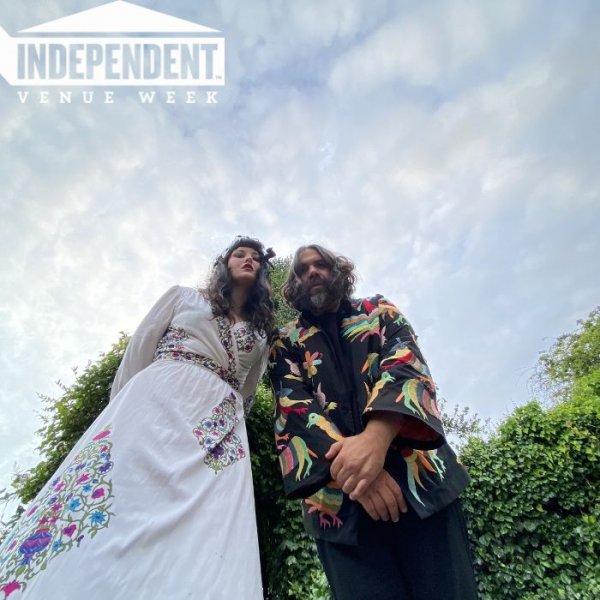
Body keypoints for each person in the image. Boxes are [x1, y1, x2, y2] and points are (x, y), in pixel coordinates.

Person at [0, 236, 275, 599]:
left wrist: (229, 423)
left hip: (220, 427)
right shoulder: (183, 297)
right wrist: (122, 410)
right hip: (158, 398)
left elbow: (248, 391)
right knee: (124, 490)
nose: (248, 260)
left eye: (255, 257)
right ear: (224, 264)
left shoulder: (260, 334)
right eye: (239, 254)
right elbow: (140, 348)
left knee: (212, 520)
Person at [269, 244, 478, 600]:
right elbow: (292, 406)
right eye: (302, 270)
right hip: (339, 509)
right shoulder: (285, 341)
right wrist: (359, 477)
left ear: (339, 271)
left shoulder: (378, 310)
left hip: (421, 487)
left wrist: (376, 439)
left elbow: (406, 365)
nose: (312, 272)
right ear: (294, 285)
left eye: (321, 264)